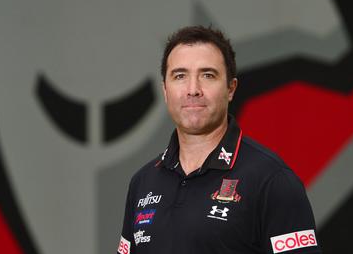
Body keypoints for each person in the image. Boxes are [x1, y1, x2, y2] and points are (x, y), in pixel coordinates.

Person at [117, 26, 321, 254]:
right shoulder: (143, 183)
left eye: (208, 75)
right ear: (165, 90)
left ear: (231, 88)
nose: (193, 90)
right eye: (180, 76)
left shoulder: (271, 180)